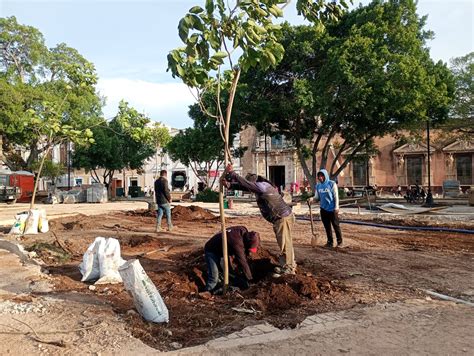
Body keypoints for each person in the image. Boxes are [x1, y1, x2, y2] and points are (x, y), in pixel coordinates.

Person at [222, 164, 296, 276]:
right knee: (285, 243)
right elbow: (244, 186)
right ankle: (287, 265)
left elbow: (245, 184)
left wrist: (232, 174)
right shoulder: (261, 185)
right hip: (281, 218)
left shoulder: (262, 187)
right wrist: (229, 185)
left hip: (282, 218)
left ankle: (289, 268)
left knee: (285, 244)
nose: (250, 188)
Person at [204, 226, 260, 293]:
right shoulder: (237, 243)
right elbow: (242, 262)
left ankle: (225, 285)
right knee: (214, 276)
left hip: (223, 250)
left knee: (229, 272)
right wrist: (250, 279)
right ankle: (207, 292)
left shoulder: (243, 230)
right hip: (211, 251)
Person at [307, 169, 343, 248]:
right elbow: (317, 197)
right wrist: (311, 199)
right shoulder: (318, 186)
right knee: (327, 227)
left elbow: (336, 196)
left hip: (332, 209)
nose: (320, 177)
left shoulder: (332, 184)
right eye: (319, 176)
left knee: (336, 226)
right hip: (323, 209)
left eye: (322, 175)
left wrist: (336, 207)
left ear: (325, 176)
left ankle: (340, 242)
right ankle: (330, 242)